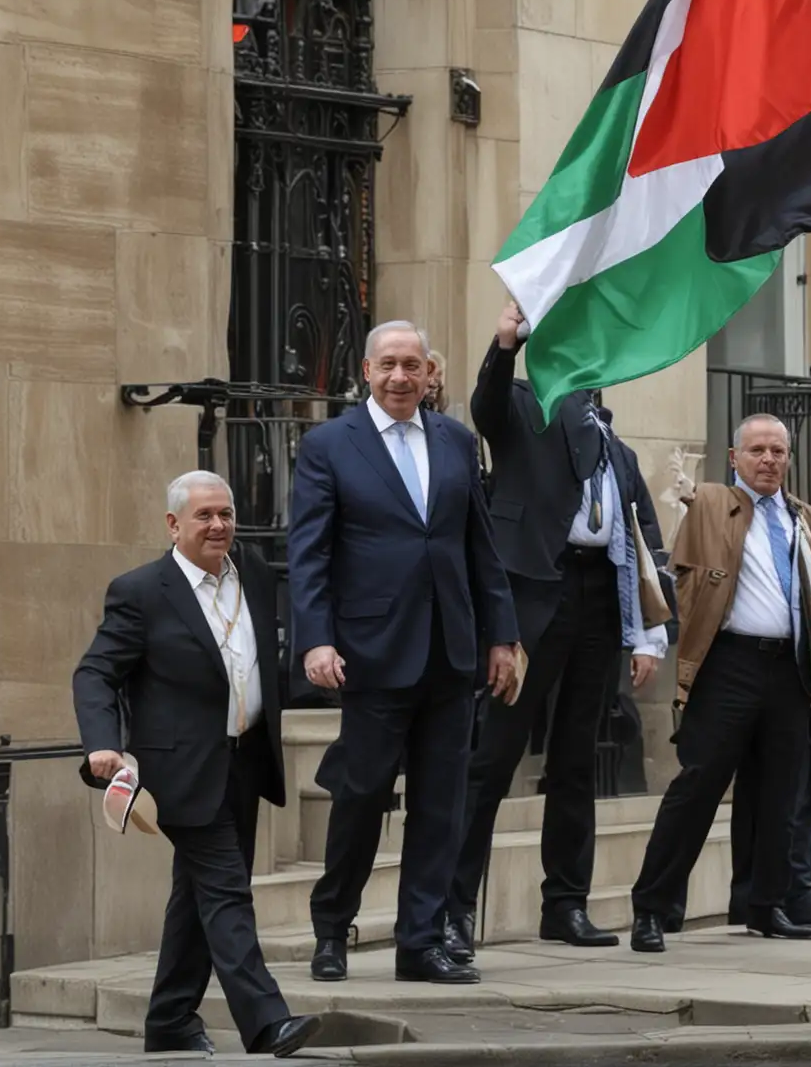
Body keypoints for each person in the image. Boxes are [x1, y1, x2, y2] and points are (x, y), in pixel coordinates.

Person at [289, 319, 522, 986]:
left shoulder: (454, 440)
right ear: (367, 372)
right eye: (388, 365)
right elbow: (310, 553)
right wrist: (315, 638)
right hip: (370, 652)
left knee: (440, 804)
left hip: (451, 651)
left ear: (428, 374)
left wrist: (501, 636)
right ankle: (332, 929)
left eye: (411, 366)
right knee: (360, 797)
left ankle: (419, 942)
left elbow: (481, 546)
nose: (400, 377)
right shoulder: (330, 445)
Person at [444, 299, 671, 957]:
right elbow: (484, 407)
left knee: (578, 760)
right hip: (531, 596)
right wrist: (505, 343)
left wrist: (649, 634)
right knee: (493, 760)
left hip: (598, 599)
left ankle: (565, 903)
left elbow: (641, 533)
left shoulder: (614, 444)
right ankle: (455, 908)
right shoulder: (524, 405)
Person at [72, 471, 321, 1057]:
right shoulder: (140, 591)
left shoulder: (254, 573)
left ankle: (169, 1021)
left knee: (196, 899)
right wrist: (101, 744)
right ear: (173, 524)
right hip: (181, 769)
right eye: (205, 515)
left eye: (226, 514)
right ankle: (266, 1021)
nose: (218, 525)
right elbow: (95, 673)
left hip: (246, 759)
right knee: (227, 889)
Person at [629, 415, 811, 952]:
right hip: (727, 663)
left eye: (778, 450)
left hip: (790, 669)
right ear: (735, 458)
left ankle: (766, 903)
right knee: (698, 785)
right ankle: (653, 910)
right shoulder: (709, 504)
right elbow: (677, 548)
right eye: (757, 450)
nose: (769, 460)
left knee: (781, 793)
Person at [726, 616, 811, 931]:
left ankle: (784, 889)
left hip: (801, 666)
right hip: (751, 662)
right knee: (763, 783)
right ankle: (779, 891)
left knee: (786, 782)